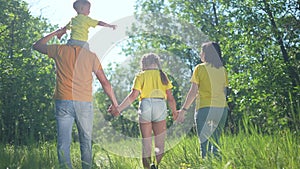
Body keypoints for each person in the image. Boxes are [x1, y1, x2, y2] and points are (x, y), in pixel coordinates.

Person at [32, 28, 119, 169]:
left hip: (63, 101)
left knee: (63, 142)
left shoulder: (59, 50)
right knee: (85, 141)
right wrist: (116, 105)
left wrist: (56, 33)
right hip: (84, 103)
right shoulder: (91, 56)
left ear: (70, 39)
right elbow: (105, 83)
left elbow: (37, 45)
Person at [109, 53, 177, 169]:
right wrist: (175, 113)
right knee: (160, 143)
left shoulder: (140, 76)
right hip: (160, 105)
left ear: (143, 64)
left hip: (145, 105)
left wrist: (118, 109)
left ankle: (147, 168)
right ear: (157, 63)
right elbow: (170, 97)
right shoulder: (163, 75)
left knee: (146, 143)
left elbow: (133, 95)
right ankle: (156, 166)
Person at [177, 42, 229, 159]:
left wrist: (184, 109)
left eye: (201, 51)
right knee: (215, 143)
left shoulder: (200, 68)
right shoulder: (223, 70)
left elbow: (193, 92)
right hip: (221, 110)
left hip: (205, 109)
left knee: (204, 144)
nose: (200, 54)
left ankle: (206, 165)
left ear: (206, 54)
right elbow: (224, 92)